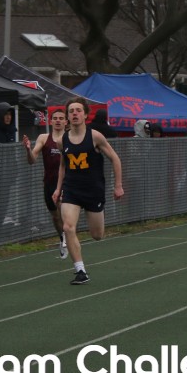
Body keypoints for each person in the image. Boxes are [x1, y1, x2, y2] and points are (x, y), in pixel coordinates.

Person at [52, 97, 124, 285]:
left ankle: (94, 220)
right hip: (71, 190)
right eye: (71, 111)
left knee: (97, 235)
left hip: (93, 190)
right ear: (68, 117)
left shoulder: (95, 136)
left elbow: (115, 158)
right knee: (68, 227)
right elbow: (63, 165)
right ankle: (80, 271)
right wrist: (58, 188)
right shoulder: (62, 140)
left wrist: (118, 185)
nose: (74, 113)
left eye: (78, 110)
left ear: (85, 115)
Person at [25, 106, 68, 257]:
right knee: (55, 216)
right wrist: (28, 149)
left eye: (61, 118)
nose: (58, 121)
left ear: (66, 122)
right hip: (49, 183)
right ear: (51, 121)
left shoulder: (70, 138)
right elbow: (32, 160)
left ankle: (68, 238)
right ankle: (62, 237)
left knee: (63, 211)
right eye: (55, 118)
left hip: (66, 182)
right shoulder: (44, 138)